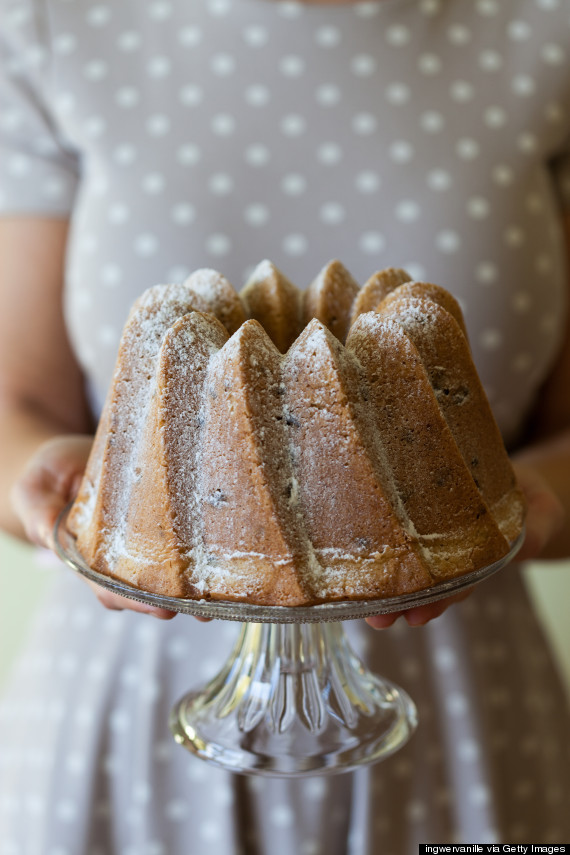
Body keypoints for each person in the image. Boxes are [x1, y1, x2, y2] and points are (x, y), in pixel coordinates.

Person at [1, 0, 569, 851]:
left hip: (460, 699)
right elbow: (18, 397)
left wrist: (538, 500)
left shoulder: (548, 29)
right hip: (127, 696)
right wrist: (44, 474)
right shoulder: (56, 22)